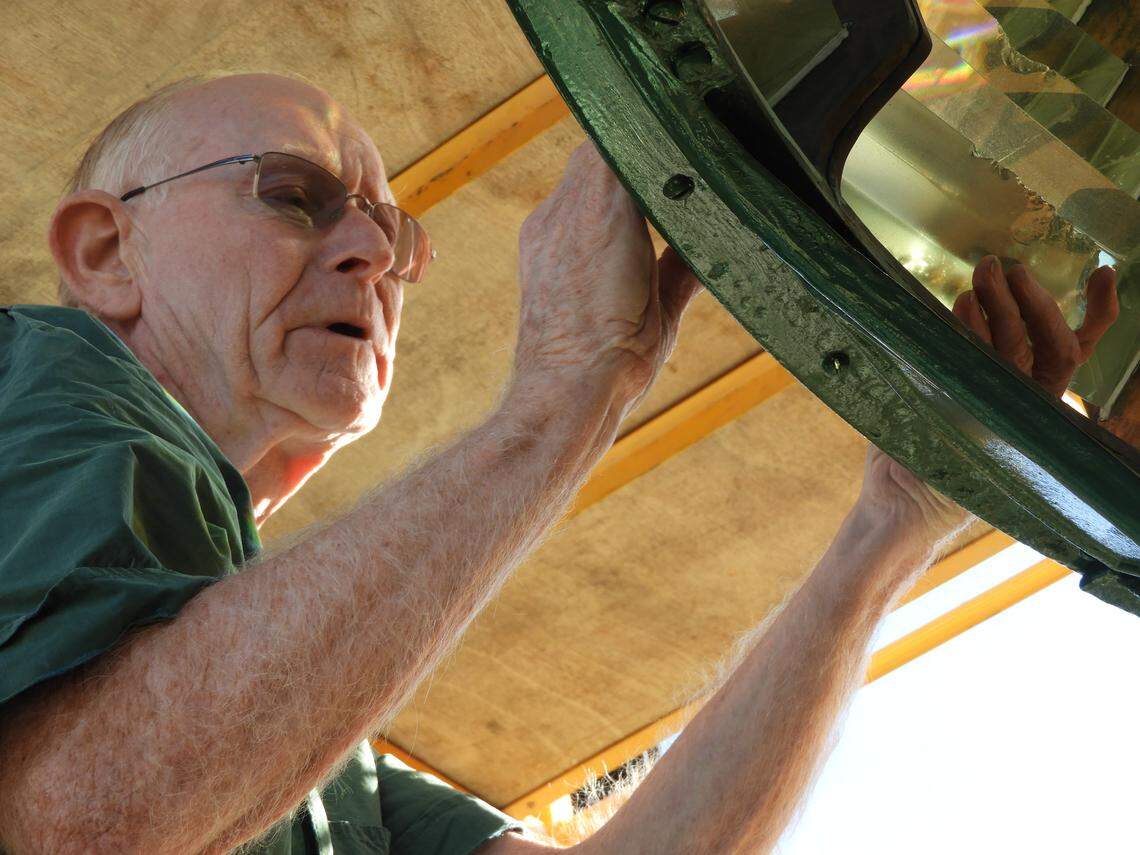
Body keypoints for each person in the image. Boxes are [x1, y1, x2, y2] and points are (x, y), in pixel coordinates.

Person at [0, 71, 1118, 855]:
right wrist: (566, 391)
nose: (368, 255)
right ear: (104, 251)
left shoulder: (323, 765)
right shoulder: (40, 374)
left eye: (394, 238)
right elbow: (81, 822)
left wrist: (897, 525)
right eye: (292, 196)